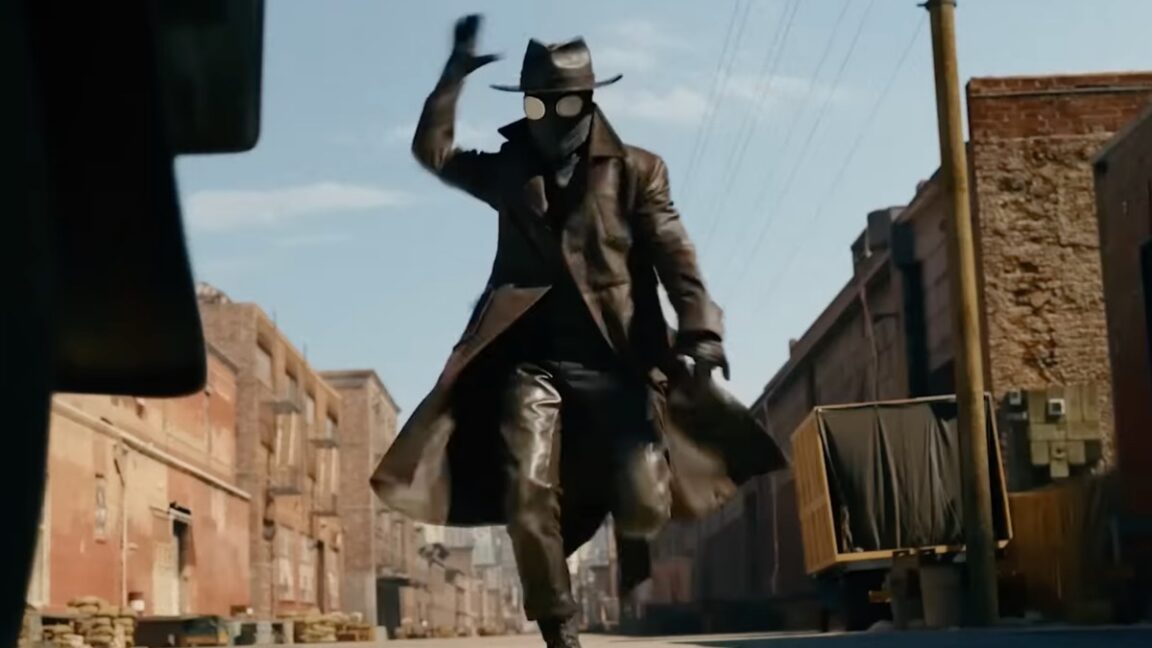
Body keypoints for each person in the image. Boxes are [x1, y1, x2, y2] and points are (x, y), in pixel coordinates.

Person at [371, 15, 786, 648]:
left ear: (589, 102)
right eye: (540, 103)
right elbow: (435, 154)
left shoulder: (637, 171)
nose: (554, 117)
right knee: (526, 489)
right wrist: (451, 78)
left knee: (646, 504)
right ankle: (557, 625)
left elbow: (675, 252)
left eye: (567, 103)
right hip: (529, 364)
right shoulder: (511, 171)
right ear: (527, 105)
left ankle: (592, 511)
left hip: (620, 366)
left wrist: (701, 328)